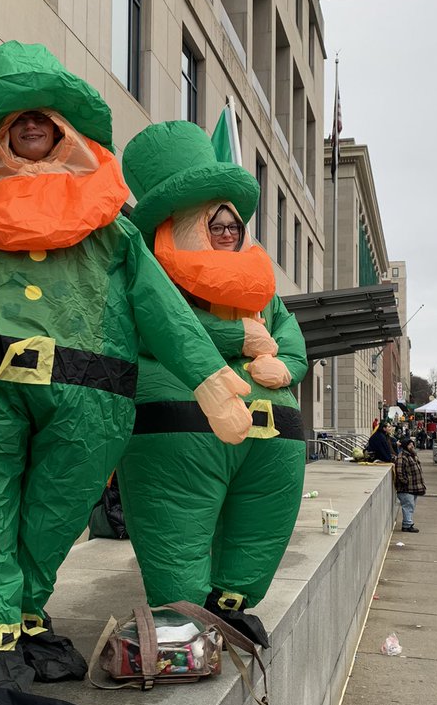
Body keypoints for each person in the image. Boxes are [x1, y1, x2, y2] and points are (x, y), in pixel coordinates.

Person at [0, 43, 252, 689]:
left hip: (88, 386)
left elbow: (159, 305)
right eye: (17, 117)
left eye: (45, 116)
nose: (32, 124)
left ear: (65, 130)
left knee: (58, 508)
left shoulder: (111, 225)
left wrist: (208, 375)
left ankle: (25, 614)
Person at [115, 121, 308, 647]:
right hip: (181, 426)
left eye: (232, 225)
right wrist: (236, 336)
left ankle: (230, 606)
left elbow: (289, 336)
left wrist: (288, 366)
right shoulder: (151, 276)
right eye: (213, 224)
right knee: (175, 528)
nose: (225, 233)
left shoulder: (261, 288)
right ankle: (179, 615)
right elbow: (156, 328)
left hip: (272, 435)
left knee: (259, 530)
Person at [394, 437, 426, 532]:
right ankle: (407, 525)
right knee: (408, 506)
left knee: (411, 506)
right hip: (406, 488)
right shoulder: (402, 457)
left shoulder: (412, 455)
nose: (412, 446)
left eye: (412, 444)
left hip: (414, 487)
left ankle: (408, 523)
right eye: (409, 444)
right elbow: (399, 472)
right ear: (405, 446)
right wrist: (406, 482)